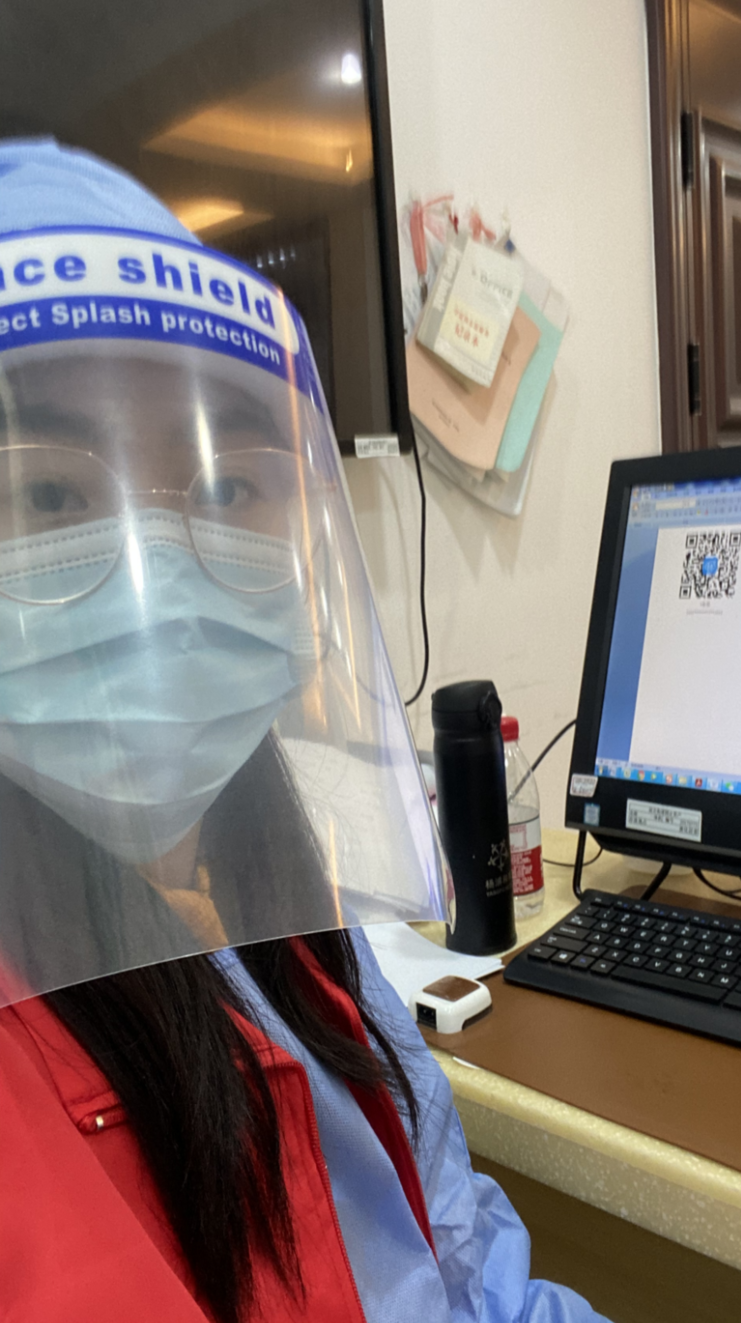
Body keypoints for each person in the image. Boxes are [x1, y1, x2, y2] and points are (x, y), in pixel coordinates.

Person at [0, 139, 608, 1323]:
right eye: (47, 494)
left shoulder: (276, 902)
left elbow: (462, 1265)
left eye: (229, 488)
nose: (162, 582)